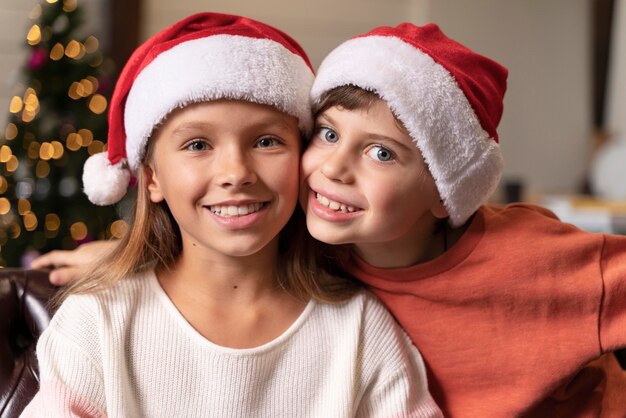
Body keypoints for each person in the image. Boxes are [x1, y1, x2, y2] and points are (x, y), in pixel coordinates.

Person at [22, 14, 443, 417]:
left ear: (304, 156)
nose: (236, 174)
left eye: (266, 141)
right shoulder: (97, 322)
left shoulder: (362, 330)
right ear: (151, 178)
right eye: (198, 145)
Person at [300, 23, 626, 417]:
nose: (334, 168)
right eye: (328, 133)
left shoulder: (530, 255)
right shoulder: (306, 253)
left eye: (381, 153)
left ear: (444, 192)